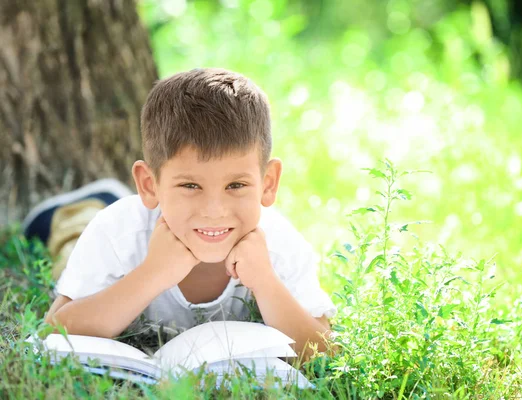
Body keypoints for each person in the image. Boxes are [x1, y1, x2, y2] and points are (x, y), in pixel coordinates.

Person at [27, 68, 336, 360]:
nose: (214, 211)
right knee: (69, 252)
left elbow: (325, 352)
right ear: (149, 185)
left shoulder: (278, 244)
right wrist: (152, 274)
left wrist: (266, 282)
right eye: (190, 185)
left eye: (236, 185)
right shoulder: (118, 233)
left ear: (268, 183)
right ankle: (74, 213)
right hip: (108, 234)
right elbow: (55, 330)